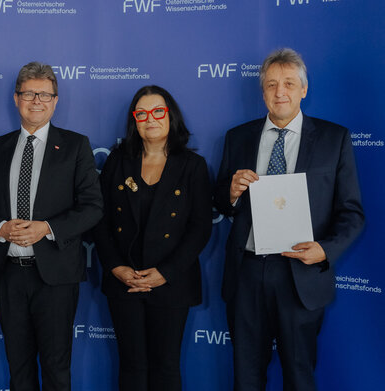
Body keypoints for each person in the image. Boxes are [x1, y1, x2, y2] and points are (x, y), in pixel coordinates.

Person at [213, 48, 364, 390]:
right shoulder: (238, 137)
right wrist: (231, 193)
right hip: (247, 273)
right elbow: (220, 201)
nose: (280, 92)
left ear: (303, 90)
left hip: (301, 274)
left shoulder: (333, 139)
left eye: (289, 83)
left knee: (299, 376)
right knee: (246, 378)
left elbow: (352, 212)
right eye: (271, 84)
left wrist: (325, 250)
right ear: (262, 91)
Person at [0, 61, 103, 391]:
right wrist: (0, 228)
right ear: (16, 98)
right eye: (29, 93)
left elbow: (92, 208)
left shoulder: (76, 146)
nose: (37, 101)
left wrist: (46, 227)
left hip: (56, 276)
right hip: (8, 273)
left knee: (56, 367)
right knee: (18, 368)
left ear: (56, 100)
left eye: (45, 94)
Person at [93, 85, 212, 390]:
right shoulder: (118, 161)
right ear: (134, 120)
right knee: (131, 367)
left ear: (170, 116)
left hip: (171, 282)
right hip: (125, 281)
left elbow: (200, 228)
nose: (151, 119)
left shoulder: (192, 166)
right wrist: (115, 267)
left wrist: (165, 273)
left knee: (166, 367)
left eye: (158, 111)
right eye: (142, 113)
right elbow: (100, 220)